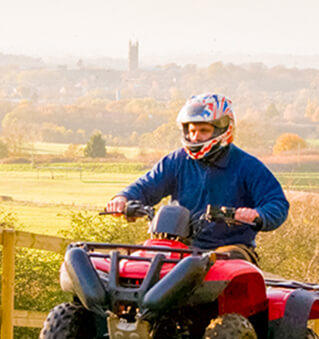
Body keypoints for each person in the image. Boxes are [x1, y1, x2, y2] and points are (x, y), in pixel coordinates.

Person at [106, 93, 289, 264]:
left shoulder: (247, 166)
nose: (195, 137)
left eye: (203, 131)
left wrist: (258, 215)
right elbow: (147, 186)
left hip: (231, 250)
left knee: (213, 264)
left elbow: (277, 203)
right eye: (192, 130)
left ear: (223, 130)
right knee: (133, 262)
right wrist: (123, 198)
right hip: (178, 245)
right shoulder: (176, 161)